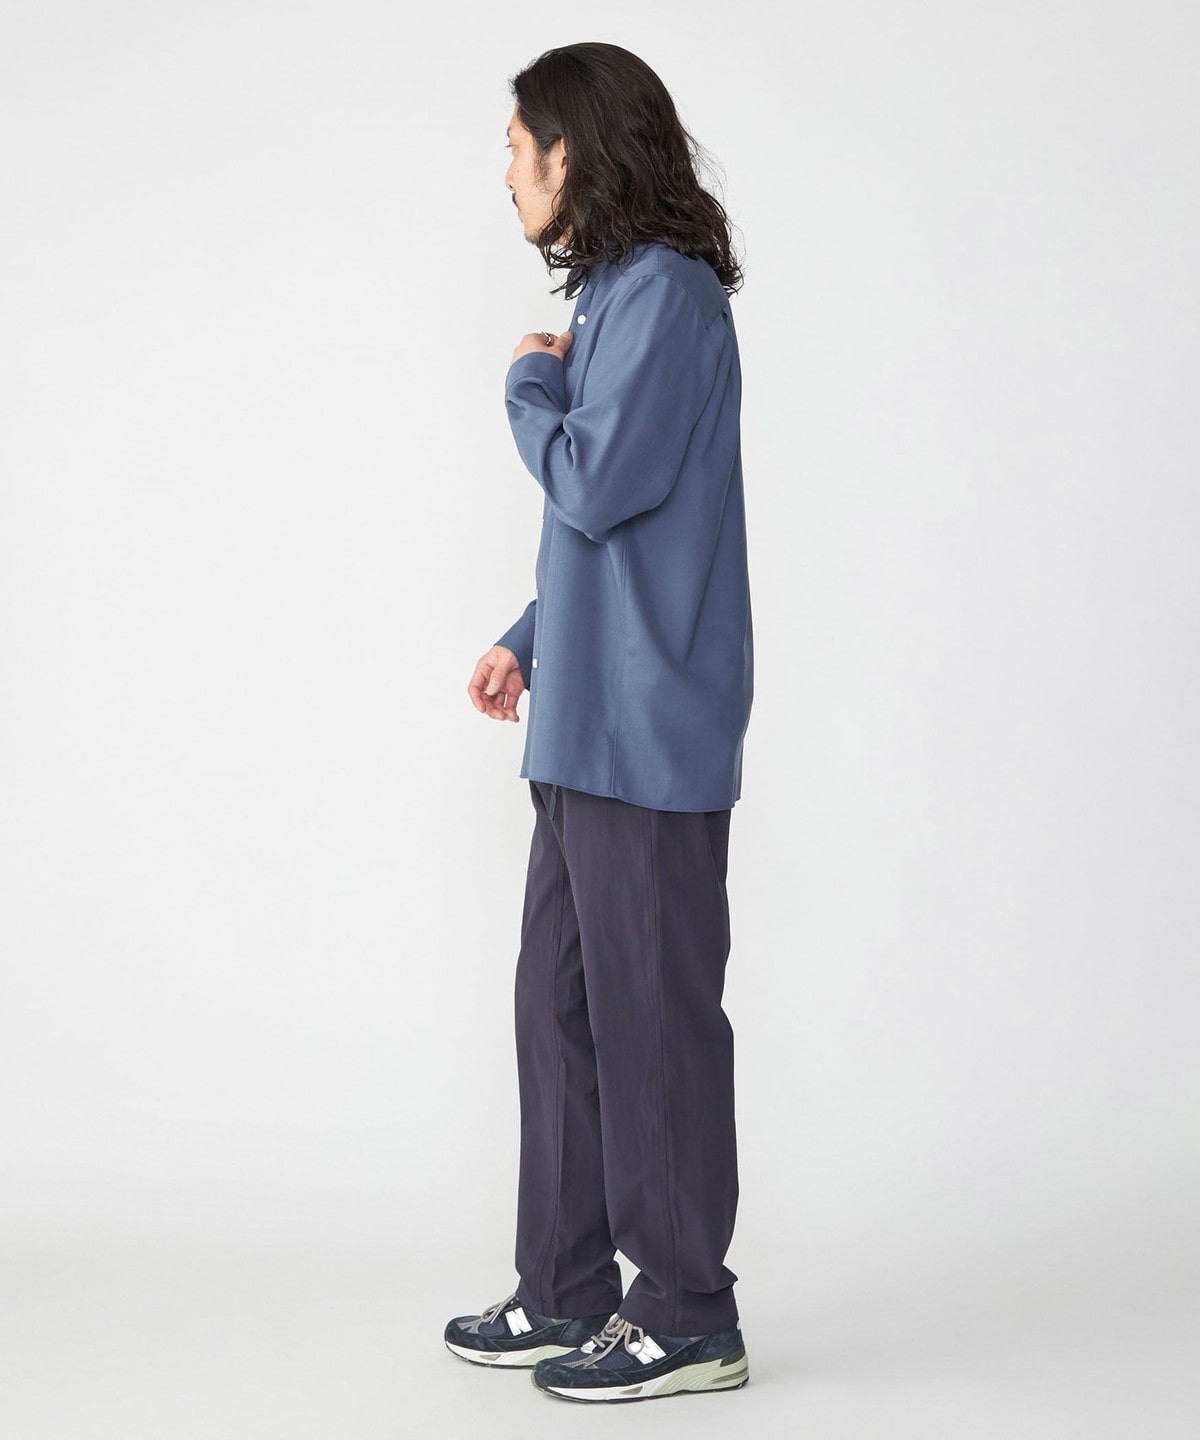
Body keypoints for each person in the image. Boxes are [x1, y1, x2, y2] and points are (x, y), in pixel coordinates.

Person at [445, 41, 754, 1404]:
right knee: (558, 1010)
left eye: (519, 146)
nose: (508, 173)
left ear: (572, 151)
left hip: (647, 734)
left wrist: (526, 383)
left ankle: (686, 1313)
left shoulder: (668, 298)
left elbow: (596, 480)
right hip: (583, 726)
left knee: (653, 1022)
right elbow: (606, 532)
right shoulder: (621, 297)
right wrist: (528, 639)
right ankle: (569, 1288)